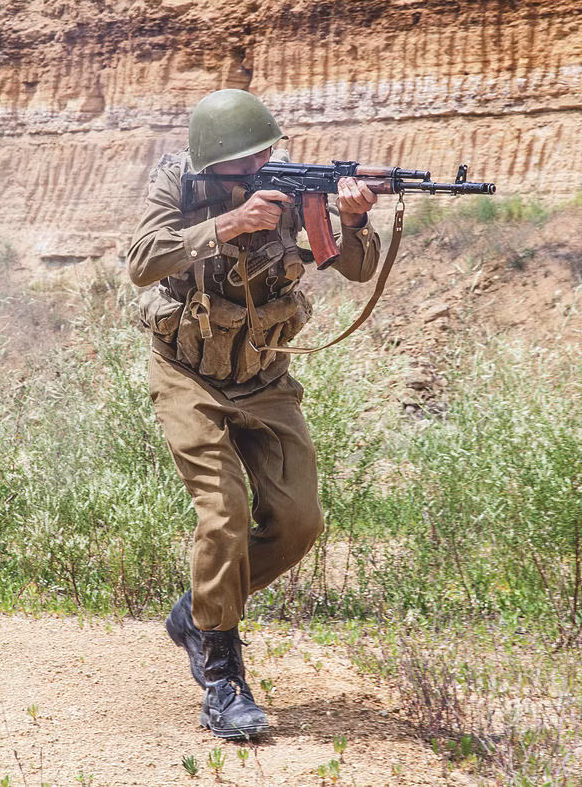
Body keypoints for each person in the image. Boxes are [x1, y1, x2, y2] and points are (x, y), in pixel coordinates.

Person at [127, 89, 381, 739]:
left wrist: (353, 222)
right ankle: (222, 677)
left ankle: (198, 611)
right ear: (214, 163)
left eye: (266, 152)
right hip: (186, 371)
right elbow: (140, 262)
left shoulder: (296, 191)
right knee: (224, 514)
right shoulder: (175, 180)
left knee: (299, 522)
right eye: (246, 159)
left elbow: (354, 269)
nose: (261, 163)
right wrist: (227, 225)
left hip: (264, 376)